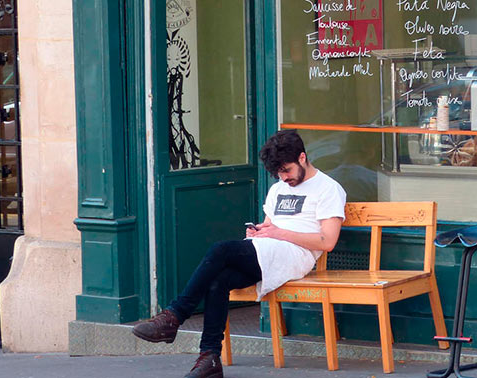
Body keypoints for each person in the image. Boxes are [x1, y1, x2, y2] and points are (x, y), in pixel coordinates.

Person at [132, 129, 347, 378]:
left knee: (220, 250)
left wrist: (278, 233)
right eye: (278, 173)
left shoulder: (328, 188)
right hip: (269, 251)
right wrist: (260, 231)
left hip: (296, 255)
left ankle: (175, 316)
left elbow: (327, 241)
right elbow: (270, 225)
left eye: (286, 170)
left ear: (302, 157)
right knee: (218, 280)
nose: (283, 177)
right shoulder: (279, 188)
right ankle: (209, 358)